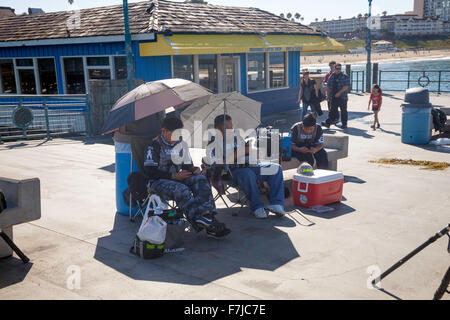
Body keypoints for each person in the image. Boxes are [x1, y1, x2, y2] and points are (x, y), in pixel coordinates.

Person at [144, 115, 230, 238]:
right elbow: (150, 172)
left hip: (178, 178)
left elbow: (187, 165)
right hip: (158, 182)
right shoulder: (154, 146)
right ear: (164, 131)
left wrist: (193, 169)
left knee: (201, 179)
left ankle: (207, 216)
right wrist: (173, 176)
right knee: (181, 188)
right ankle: (200, 220)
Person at [209, 115, 286, 219]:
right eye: (227, 127)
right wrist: (237, 154)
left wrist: (251, 150)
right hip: (232, 172)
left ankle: (276, 203)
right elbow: (217, 163)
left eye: (231, 127)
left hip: (250, 165)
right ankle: (257, 206)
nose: (231, 130)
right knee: (247, 174)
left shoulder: (237, 138)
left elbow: (247, 151)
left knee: (275, 168)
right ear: (218, 128)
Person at [322, 63, 350, 129]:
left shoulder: (344, 76)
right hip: (333, 97)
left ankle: (344, 124)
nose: (338, 70)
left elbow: (346, 86)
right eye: (337, 68)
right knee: (332, 110)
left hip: (342, 97)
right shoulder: (331, 76)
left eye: (339, 69)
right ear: (334, 68)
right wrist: (328, 95)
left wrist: (339, 93)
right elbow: (328, 86)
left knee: (343, 111)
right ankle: (328, 123)